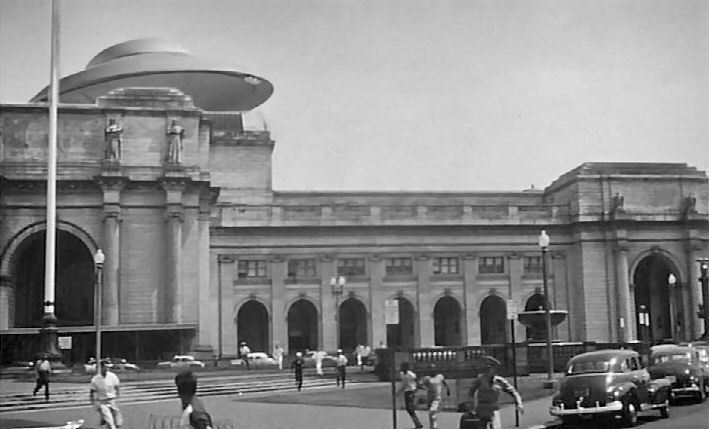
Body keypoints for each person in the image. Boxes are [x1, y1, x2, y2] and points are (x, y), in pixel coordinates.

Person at [468, 359, 523, 429]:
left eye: (491, 368)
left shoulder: (499, 381)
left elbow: (513, 392)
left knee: (495, 426)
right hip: (481, 411)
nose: (488, 371)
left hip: (493, 410)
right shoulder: (480, 379)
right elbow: (470, 392)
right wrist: (471, 406)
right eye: (487, 368)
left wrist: (519, 403)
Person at [89, 360, 123, 429]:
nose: (106, 369)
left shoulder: (113, 376)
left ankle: (103, 418)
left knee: (118, 422)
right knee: (110, 421)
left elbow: (117, 388)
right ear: (100, 368)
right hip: (102, 401)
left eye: (107, 367)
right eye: (104, 367)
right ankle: (104, 417)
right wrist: (95, 405)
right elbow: (92, 392)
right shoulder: (95, 379)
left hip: (112, 400)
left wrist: (118, 399)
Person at [397, 362, 423, 429]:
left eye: (402, 367)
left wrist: (416, 389)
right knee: (409, 409)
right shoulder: (402, 374)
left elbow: (416, 381)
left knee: (410, 409)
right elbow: (403, 384)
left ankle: (418, 423)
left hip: (411, 391)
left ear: (406, 368)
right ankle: (417, 423)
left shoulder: (411, 374)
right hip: (406, 391)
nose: (401, 368)